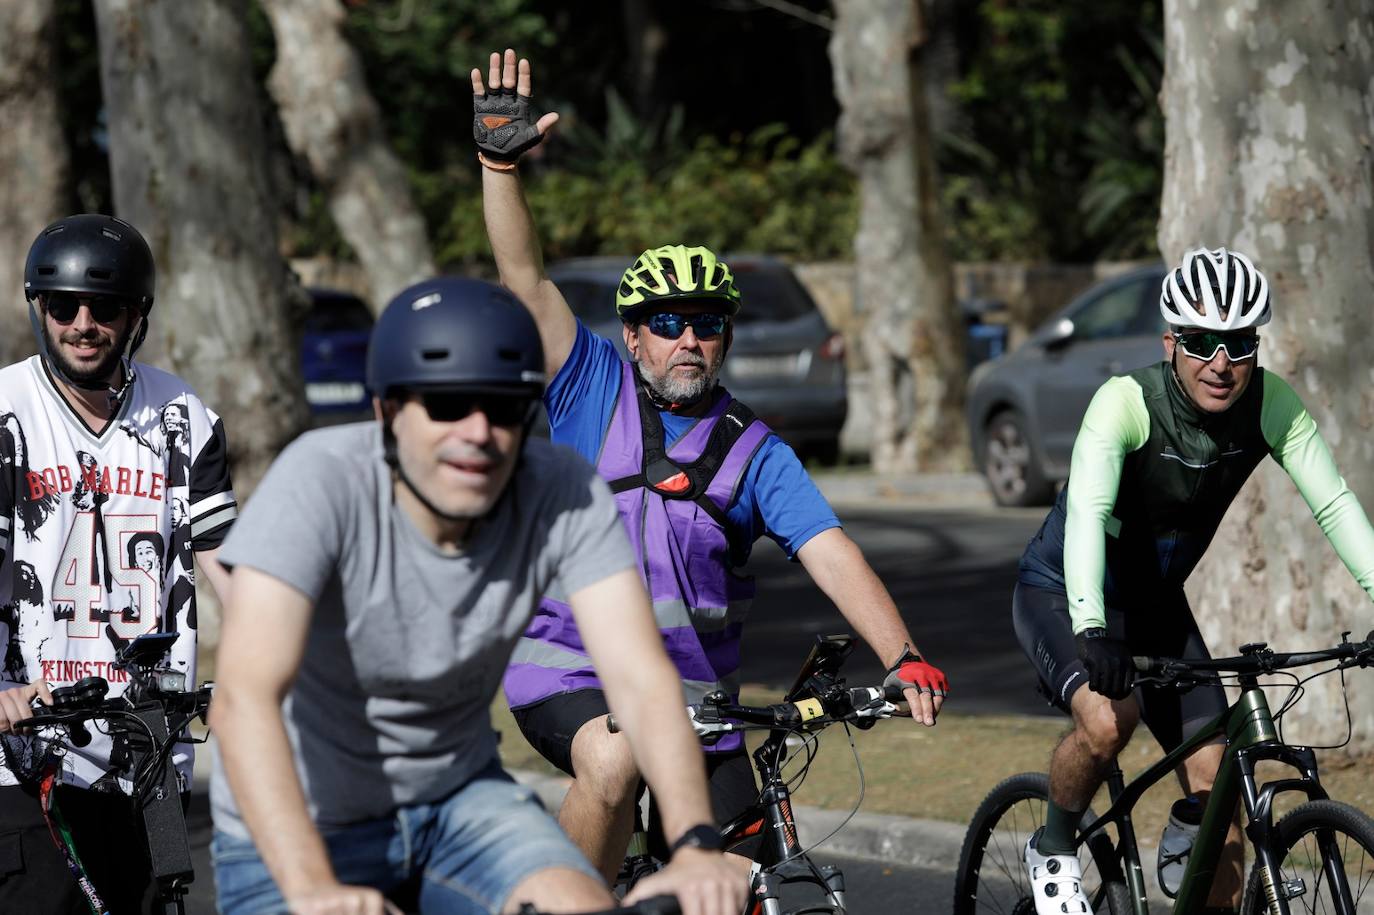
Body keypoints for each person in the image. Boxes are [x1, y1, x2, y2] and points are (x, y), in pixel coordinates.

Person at [472, 48, 950, 882]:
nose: (686, 337)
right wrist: (499, 167)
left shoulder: (754, 449)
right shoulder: (590, 387)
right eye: (664, 321)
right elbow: (524, 276)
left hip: (697, 703)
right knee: (615, 766)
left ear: (724, 336)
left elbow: (830, 550)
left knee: (735, 868)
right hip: (568, 670)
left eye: (705, 322)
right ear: (632, 334)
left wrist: (902, 653)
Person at [208, 276, 746, 915]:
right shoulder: (319, 479)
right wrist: (311, 888)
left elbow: (641, 677)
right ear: (385, 411)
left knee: (580, 905)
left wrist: (692, 845)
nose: (478, 433)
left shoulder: (559, 490)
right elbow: (244, 698)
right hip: (301, 818)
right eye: (446, 406)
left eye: (503, 408)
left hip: (458, 801)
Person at [1012, 246, 1374, 914]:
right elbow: (1089, 513)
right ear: (1170, 342)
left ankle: (1191, 842)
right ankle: (1054, 841)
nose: (1221, 364)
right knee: (1106, 720)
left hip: (1155, 608)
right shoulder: (1125, 401)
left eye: (1238, 345)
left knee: (1220, 797)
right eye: (1203, 342)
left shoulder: (1271, 403)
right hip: (1063, 591)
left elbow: (1335, 503)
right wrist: (1091, 627)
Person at [0, 213, 237, 913]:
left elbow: (227, 565)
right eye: (61, 304)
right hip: (25, 752)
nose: (82, 322)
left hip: (150, 751)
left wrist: (258, 677)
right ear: (37, 306)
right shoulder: (6, 412)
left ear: (138, 314)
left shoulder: (184, 416)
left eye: (105, 306)